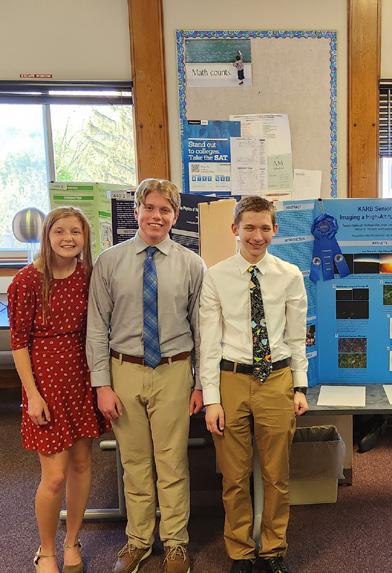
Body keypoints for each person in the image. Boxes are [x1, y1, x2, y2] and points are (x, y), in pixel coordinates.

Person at [86, 179, 205, 573]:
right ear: (136, 211)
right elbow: (96, 327)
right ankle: (138, 540)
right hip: (124, 371)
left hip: (174, 371)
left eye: (165, 210)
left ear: (175, 216)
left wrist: (201, 384)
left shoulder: (191, 264)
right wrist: (102, 385)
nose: (157, 216)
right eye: (149, 208)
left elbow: (202, 329)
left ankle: (175, 543)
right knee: (134, 462)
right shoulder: (109, 261)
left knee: (172, 462)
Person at [199, 196, 309, 573]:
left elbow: (296, 338)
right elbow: (209, 342)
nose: (256, 236)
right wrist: (211, 399)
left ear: (275, 230)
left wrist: (300, 387)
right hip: (231, 379)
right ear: (235, 229)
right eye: (249, 227)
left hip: (276, 379)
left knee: (277, 474)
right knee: (234, 475)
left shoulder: (289, 275)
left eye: (264, 228)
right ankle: (241, 552)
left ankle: (273, 549)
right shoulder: (216, 276)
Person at [8, 207, 109, 573]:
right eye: (60, 231)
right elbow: (19, 343)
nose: (68, 238)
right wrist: (32, 395)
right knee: (53, 476)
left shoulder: (88, 275)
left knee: (81, 465)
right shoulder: (27, 281)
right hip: (46, 384)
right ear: (47, 235)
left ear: (85, 237)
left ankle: (72, 541)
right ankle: (46, 549)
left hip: (81, 378)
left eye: (76, 232)